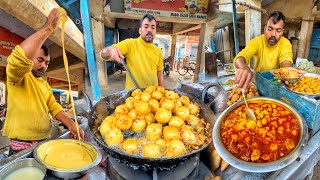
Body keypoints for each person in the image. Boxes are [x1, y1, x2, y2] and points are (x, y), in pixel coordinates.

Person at [3, 8, 85, 155]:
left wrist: (71, 124)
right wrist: (49, 28)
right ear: (31, 58)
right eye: (40, 60)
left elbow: (54, 108)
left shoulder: (45, 85)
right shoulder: (18, 77)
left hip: (43, 142)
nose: (44, 66)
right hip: (21, 145)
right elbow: (17, 60)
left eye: (47, 63)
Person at [234, 11, 304, 89]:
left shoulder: (285, 43)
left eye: (278, 31)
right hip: (259, 80)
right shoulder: (257, 41)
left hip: (277, 80)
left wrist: (286, 71)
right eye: (270, 29)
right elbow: (240, 57)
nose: (273, 34)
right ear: (265, 29)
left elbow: (286, 61)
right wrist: (243, 67)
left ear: (282, 32)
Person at [100, 14, 164, 89]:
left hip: (153, 96)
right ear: (140, 30)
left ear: (155, 31)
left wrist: (162, 91)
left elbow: (160, 73)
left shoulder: (158, 51)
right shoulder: (130, 44)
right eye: (146, 27)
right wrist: (109, 50)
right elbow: (103, 54)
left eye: (153, 27)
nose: (149, 30)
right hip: (134, 95)